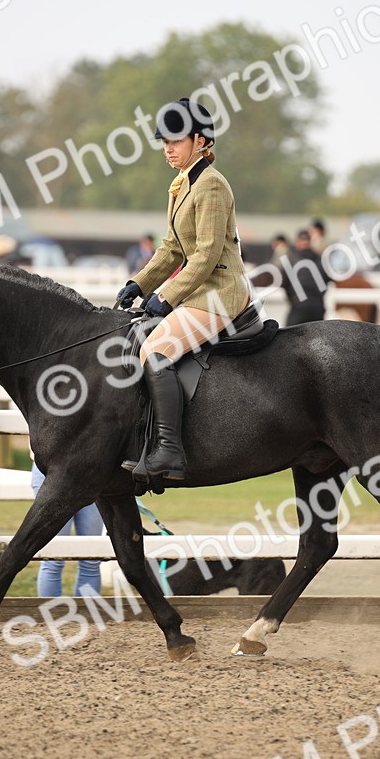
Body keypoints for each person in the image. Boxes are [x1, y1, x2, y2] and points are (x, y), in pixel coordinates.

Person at [115, 97, 251, 480]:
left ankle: (170, 451)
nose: (168, 149)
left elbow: (206, 254)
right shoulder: (182, 185)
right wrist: (138, 284)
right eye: (164, 142)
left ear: (201, 141)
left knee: (155, 350)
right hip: (198, 292)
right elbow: (173, 248)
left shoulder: (210, 186)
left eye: (175, 141)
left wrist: (165, 297)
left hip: (220, 292)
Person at [31, 462, 103, 597]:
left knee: (92, 559)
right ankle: (52, 616)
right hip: (53, 473)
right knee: (53, 559)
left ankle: (87, 615)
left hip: (92, 475)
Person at [278, 228, 331, 325]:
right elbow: (327, 280)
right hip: (318, 309)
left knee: (289, 338)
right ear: (310, 242)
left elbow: (281, 282)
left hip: (299, 308)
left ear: (297, 242)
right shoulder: (321, 260)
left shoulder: (289, 260)